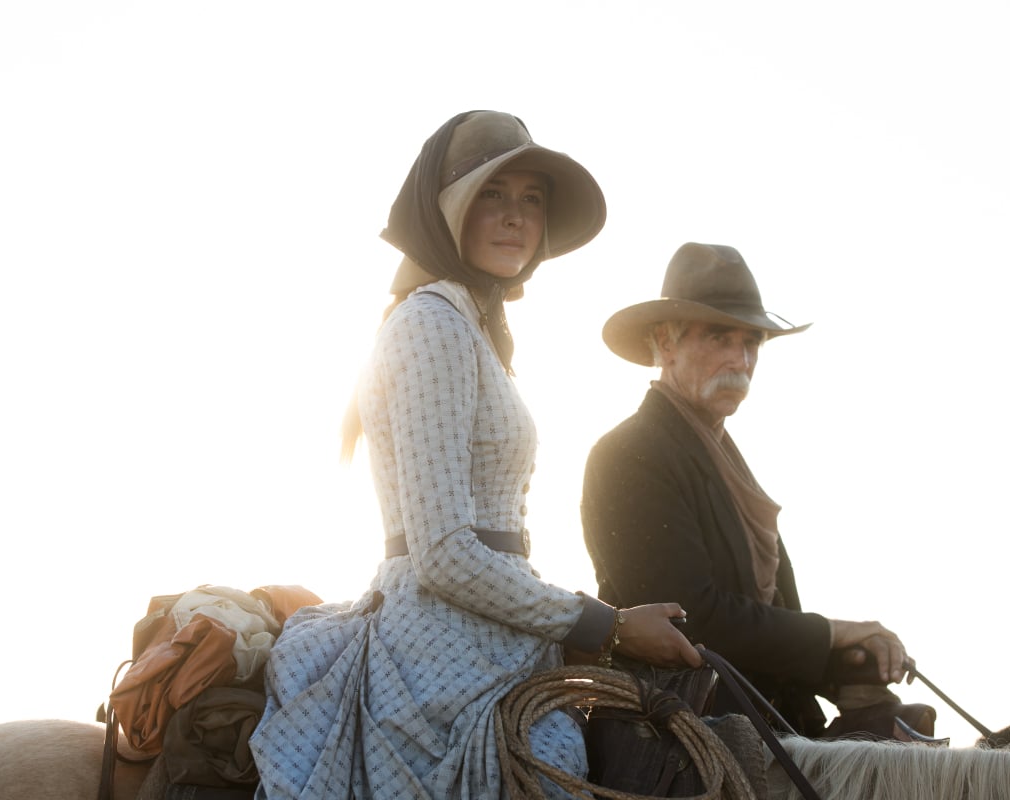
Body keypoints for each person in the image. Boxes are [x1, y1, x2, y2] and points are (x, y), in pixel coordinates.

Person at [249, 111, 701, 800]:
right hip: (441, 656)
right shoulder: (433, 323)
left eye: (531, 199)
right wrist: (606, 626)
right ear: (446, 211)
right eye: (492, 194)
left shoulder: (469, 324)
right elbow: (446, 553)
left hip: (490, 640)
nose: (515, 216)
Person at [581, 242, 936, 740]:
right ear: (665, 343)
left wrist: (844, 662)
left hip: (765, 723)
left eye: (752, 341)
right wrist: (832, 634)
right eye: (720, 336)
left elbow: (767, 616)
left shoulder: (724, 459)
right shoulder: (629, 453)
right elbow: (691, 617)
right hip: (677, 738)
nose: (740, 357)